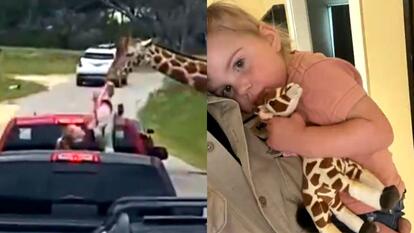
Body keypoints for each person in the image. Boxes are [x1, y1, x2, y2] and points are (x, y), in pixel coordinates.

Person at [206, 2, 411, 233]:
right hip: (338, 208)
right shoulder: (272, 101)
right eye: (226, 89)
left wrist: (298, 138)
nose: (242, 88)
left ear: (270, 38)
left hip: (373, 204)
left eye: (239, 64)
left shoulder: (315, 75)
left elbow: (380, 131)